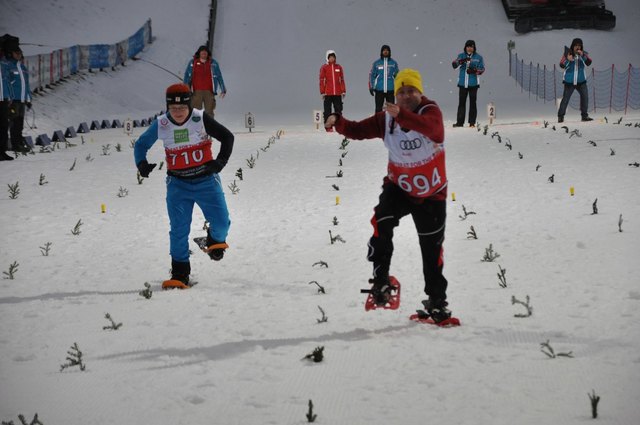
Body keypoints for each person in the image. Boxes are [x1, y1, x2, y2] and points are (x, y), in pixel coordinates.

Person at [324, 69, 452, 323]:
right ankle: (381, 282)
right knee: (381, 222)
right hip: (399, 187)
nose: (405, 96)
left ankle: (437, 302)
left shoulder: (430, 111)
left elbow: (434, 131)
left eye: (411, 91)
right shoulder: (387, 119)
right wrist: (337, 121)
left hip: (432, 193)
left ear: (420, 93)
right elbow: (358, 130)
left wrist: (402, 115)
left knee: (431, 250)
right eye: (401, 92)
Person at [134, 83, 234, 289]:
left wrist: (219, 163)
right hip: (178, 185)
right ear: (167, 108)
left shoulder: (200, 118)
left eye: (182, 108)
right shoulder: (162, 124)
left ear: (189, 105)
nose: (178, 112)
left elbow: (227, 137)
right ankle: (180, 272)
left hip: (206, 181)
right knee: (179, 229)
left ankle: (213, 240)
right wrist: (141, 164)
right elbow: (141, 144)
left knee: (222, 223)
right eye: (173, 109)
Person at [183, 45, 226, 116]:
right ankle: (196, 127)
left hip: (209, 92)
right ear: (199, 53)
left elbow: (219, 76)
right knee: (195, 112)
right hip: (196, 92)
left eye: (205, 52)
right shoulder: (193, 62)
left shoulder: (213, 63)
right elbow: (187, 75)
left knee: (209, 112)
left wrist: (223, 89)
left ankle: (210, 126)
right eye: (202, 52)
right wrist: (185, 86)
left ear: (208, 53)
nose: (204, 54)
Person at [557, 38, 593, 123]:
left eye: (579, 45)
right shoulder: (567, 54)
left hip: (581, 81)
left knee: (585, 98)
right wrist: (568, 60)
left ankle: (584, 116)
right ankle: (560, 116)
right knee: (565, 99)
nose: (577, 47)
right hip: (570, 82)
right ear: (573, 46)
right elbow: (562, 65)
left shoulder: (583, 54)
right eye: (576, 45)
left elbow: (589, 62)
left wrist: (583, 56)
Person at [451, 40, 484, 128]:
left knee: (473, 103)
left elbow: (482, 69)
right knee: (461, 103)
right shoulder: (461, 56)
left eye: (471, 47)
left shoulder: (478, 57)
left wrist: (474, 70)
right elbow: (454, 65)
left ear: (474, 48)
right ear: (465, 47)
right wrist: (462, 61)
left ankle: (472, 122)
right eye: (468, 46)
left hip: (473, 84)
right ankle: (460, 122)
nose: (469, 48)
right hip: (462, 84)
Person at [6, 47, 31, 152]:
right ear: (11, 54)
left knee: (20, 123)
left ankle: (19, 142)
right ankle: (15, 144)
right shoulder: (9, 66)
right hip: (13, 100)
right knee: (14, 123)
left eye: (20, 53)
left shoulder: (22, 67)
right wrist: (8, 98)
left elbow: (27, 84)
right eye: (16, 53)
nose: (18, 55)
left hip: (22, 100)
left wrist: (28, 99)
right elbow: (7, 83)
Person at [319, 50, 346, 131]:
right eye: (330, 57)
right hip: (328, 93)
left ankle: (339, 125)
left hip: (337, 93)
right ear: (327, 58)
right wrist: (322, 92)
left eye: (333, 57)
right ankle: (328, 126)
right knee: (327, 111)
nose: (332, 59)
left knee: (338, 110)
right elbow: (321, 80)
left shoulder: (339, 67)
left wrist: (343, 91)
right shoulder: (324, 67)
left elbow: (342, 80)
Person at [369, 44, 399, 113]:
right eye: (384, 50)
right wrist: (371, 87)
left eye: (387, 50)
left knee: (391, 109)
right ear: (381, 52)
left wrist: (398, 88)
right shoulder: (376, 63)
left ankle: (390, 123)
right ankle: (377, 123)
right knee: (378, 109)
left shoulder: (393, 63)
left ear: (389, 52)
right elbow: (372, 75)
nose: (385, 52)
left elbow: (397, 76)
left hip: (390, 90)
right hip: (379, 90)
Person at [0, 45, 13, 161]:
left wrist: (10, 96)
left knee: (4, 126)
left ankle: (2, 151)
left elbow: (8, 80)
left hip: (3, 98)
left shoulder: (5, 63)